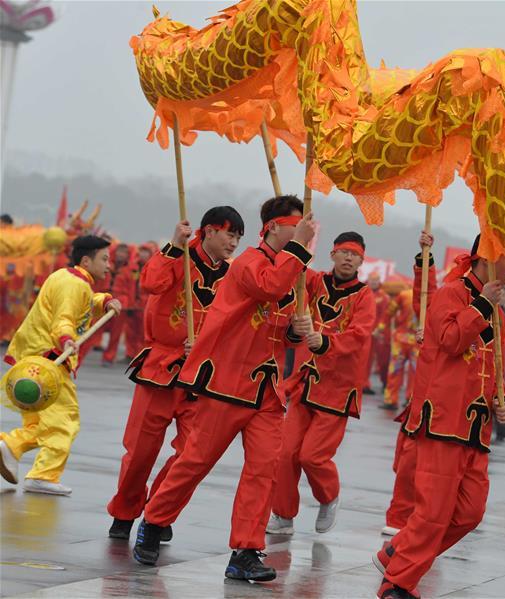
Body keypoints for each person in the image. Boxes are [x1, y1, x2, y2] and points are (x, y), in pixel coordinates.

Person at [131, 195, 316, 583]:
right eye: (293, 226)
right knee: (195, 462)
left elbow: (274, 322)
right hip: (226, 382)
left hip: (265, 389)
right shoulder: (250, 263)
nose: (300, 232)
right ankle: (154, 519)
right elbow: (267, 288)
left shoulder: (292, 269)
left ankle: (245, 551)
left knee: (264, 469)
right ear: (273, 227)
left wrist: (294, 333)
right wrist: (300, 247)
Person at [373, 235, 505, 599]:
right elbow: (451, 340)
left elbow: (497, 371)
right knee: (433, 513)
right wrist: (482, 304)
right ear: (486, 259)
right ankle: (398, 584)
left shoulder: (498, 314)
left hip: (476, 429)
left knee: (469, 513)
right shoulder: (451, 294)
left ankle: (396, 554)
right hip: (443, 423)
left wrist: (504, 403)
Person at [106, 207, 243, 540]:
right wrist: (172, 245)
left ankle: (158, 511)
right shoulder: (177, 257)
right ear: (209, 230)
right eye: (230, 234)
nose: (234, 243)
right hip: (160, 369)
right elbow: (151, 283)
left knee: (190, 455)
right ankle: (125, 511)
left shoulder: (233, 275)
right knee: (140, 451)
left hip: (202, 377)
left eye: (239, 237)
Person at [268, 231, 376, 536]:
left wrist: (324, 342)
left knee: (312, 455)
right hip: (305, 382)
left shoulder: (365, 296)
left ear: (361, 260)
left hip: (337, 389)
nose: (347, 258)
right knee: (286, 452)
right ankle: (283, 515)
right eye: (342, 252)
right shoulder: (314, 282)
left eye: (354, 254)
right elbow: (294, 271)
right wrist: (299, 241)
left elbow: (360, 334)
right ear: (332, 254)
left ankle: (329, 496)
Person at [0, 236, 122, 495]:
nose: (109, 265)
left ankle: (12, 448)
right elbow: (64, 318)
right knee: (64, 421)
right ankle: (41, 473)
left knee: (38, 422)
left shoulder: (68, 278)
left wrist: (103, 301)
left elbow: (83, 305)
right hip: (49, 362)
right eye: (104, 259)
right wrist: (66, 340)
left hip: (32, 359)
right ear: (86, 260)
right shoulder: (75, 285)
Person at [382, 230, 436, 537]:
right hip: (412, 345)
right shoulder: (417, 298)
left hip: (455, 404)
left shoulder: (495, 315)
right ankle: (400, 516)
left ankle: (424, 518)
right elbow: (426, 298)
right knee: (409, 458)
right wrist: (425, 259)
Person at [381, 288, 417, 411]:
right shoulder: (431, 296)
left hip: (401, 339)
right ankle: (411, 400)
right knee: (415, 373)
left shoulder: (404, 294)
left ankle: (391, 400)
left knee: (395, 370)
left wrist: (382, 326)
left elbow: (389, 312)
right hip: (418, 340)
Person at [367, 272, 392, 394]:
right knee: (365, 359)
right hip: (366, 331)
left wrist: (379, 329)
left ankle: (385, 382)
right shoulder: (364, 292)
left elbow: (385, 316)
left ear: (379, 282)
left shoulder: (384, 297)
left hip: (380, 332)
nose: (373, 283)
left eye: (375, 280)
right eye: (371, 280)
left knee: (384, 360)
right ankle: (364, 384)